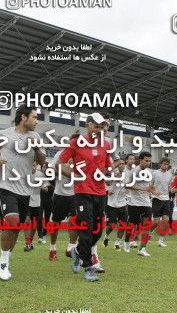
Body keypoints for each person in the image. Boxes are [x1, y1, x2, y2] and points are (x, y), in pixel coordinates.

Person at [0, 104, 46, 281]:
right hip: (6, 186)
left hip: (25, 190)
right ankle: (3, 264)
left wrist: (35, 148)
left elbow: (42, 161)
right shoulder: (4, 134)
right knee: (11, 222)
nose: (37, 121)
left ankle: (4, 259)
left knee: (16, 229)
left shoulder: (36, 136)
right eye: (35, 117)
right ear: (23, 117)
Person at [56, 112, 111, 282]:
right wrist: (74, 174)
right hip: (82, 192)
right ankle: (89, 267)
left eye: (102, 127)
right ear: (87, 125)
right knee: (86, 230)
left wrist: (107, 173)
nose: (99, 130)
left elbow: (107, 167)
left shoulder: (106, 144)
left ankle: (77, 251)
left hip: (100, 192)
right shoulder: (75, 143)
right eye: (96, 126)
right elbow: (59, 164)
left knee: (97, 232)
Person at [48, 139, 79, 262]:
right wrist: (64, 166)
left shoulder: (83, 156)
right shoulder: (60, 154)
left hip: (76, 193)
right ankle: (52, 248)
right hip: (60, 193)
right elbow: (51, 171)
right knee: (55, 224)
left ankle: (70, 248)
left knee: (75, 220)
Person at [124, 151, 156, 257]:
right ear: (141, 160)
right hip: (134, 203)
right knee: (131, 225)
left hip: (146, 203)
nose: (148, 163)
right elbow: (127, 185)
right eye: (146, 161)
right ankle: (126, 243)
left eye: (150, 161)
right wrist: (142, 188)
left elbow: (148, 186)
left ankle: (142, 249)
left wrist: (151, 191)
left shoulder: (149, 172)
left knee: (147, 225)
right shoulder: (135, 171)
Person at [103, 159, 128, 250]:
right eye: (120, 164)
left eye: (123, 163)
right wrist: (108, 189)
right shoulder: (110, 174)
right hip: (111, 204)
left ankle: (117, 242)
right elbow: (106, 183)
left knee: (122, 225)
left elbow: (129, 185)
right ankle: (106, 236)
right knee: (112, 225)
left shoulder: (127, 175)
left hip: (123, 203)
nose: (122, 165)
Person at [150, 157, 173, 248]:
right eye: (164, 164)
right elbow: (150, 186)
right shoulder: (155, 173)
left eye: (167, 164)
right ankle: (149, 232)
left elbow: (169, 186)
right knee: (156, 222)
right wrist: (154, 192)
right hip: (156, 199)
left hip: (166, 199)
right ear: (160, 164)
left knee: (165, 220)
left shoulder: (170, 174)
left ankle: (161, 240)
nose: (165, 166)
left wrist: (172, 190)